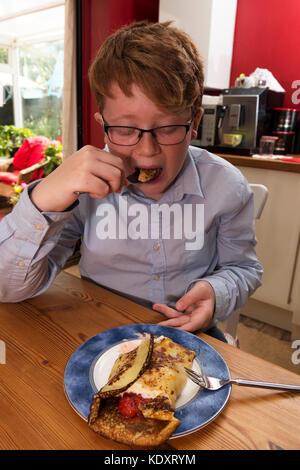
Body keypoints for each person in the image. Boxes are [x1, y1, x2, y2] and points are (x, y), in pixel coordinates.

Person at [0, 21, 262, 340]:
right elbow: (9, 288)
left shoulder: (226, 186)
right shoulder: (83, 189)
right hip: (99, 332)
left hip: (188, 334)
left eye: (167, 128)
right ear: (103, 125)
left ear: (194, 124)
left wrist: (216, 291)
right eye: (125, 131)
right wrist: (43, 200)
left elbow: (245, 269)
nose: (147, 151)